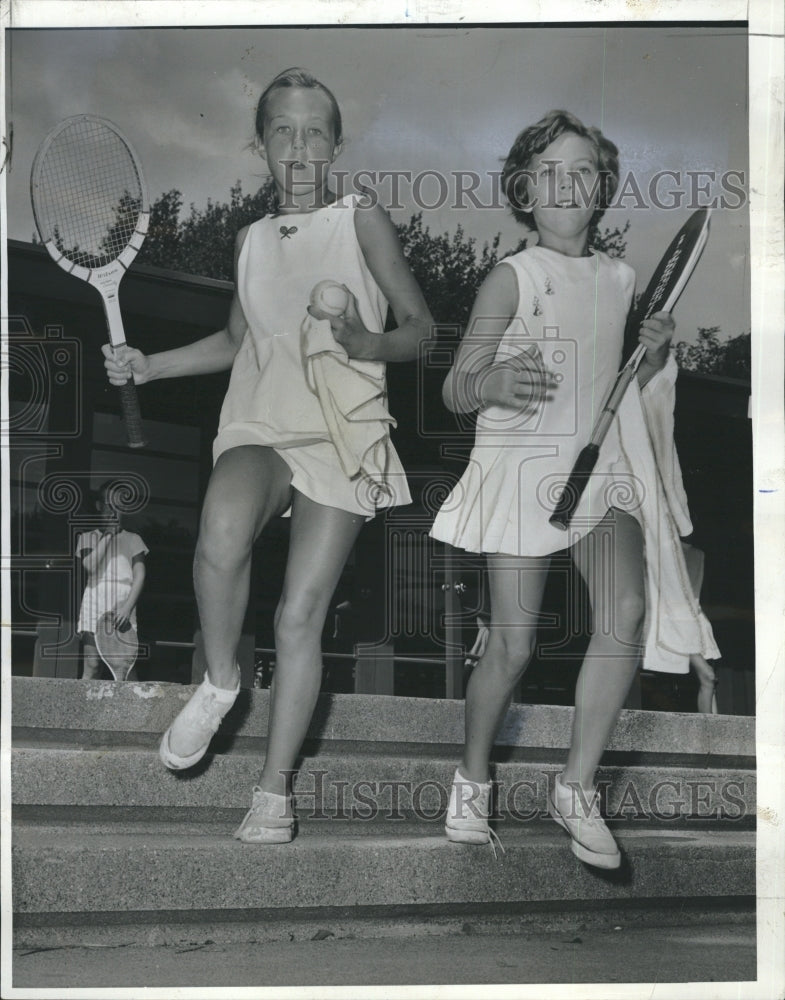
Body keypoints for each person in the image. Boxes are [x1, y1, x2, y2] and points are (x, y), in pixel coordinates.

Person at [104, 68, 432, 843]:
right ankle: (220, 683)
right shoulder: (250, 240)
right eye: (282, 130)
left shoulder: (361, 220)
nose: (298, 145)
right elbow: (233, 339)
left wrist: (365, 341)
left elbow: (421, 329)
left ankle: (274, 794)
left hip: (344, 431)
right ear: (259, 144)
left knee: (298, 617)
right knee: (220, 532)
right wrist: (149, 365)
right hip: (260, 423)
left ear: (336, 144)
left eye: (314, 130)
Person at [430, 109, 717, 869]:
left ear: (601, 191)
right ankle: (471, 778)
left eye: (583, 170)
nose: (567, 183)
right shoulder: (510, 276)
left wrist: (653, 359)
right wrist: (493, 378)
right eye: (550, 170)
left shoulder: (621, 279)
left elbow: (620, 380)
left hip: (601, 472)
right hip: (523, 468)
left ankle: (575, 787)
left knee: (625, 610)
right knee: (513, 646)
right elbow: (456, 386)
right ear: (523, 188)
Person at [76, 480, 148, 680]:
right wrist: (108, 534)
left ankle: (129, 710)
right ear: (99, 506)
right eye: (109, 505)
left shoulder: (134, 539)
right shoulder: (88, 537)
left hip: (123, 605)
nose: (114, 510)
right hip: (95, 602)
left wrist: (128, 607)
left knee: (126, 666)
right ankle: (83, 709)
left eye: (119, 505)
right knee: (92, 665)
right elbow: (90, 565)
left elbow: (140, 575)